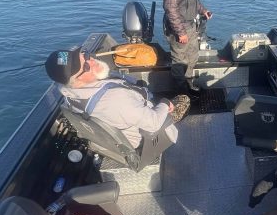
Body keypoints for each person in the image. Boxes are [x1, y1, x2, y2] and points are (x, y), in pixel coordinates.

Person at [45, 46, 190, 149]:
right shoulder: (117, 101)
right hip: (147, 135)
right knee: (184, 100)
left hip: (120, 127)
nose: (92, 61)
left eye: (86, 56)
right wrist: (164, 103)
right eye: (86, 67)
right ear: (77, 81)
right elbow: (153, 123)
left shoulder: (69, 95)